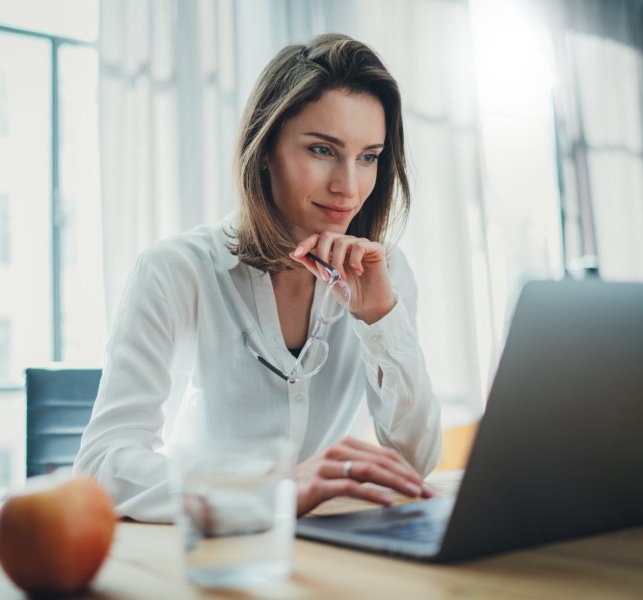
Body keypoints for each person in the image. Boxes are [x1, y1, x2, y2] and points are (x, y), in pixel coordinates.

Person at [74, 33, 441, 522]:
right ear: (265, 149)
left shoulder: (383, 274)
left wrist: (379, 319)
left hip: (332, 548)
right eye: (322, 150)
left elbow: (414, 462)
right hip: (211, 546)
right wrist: (269, 490)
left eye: (368, 157)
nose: (348, 187)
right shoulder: (175, 269)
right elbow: (102, 465)